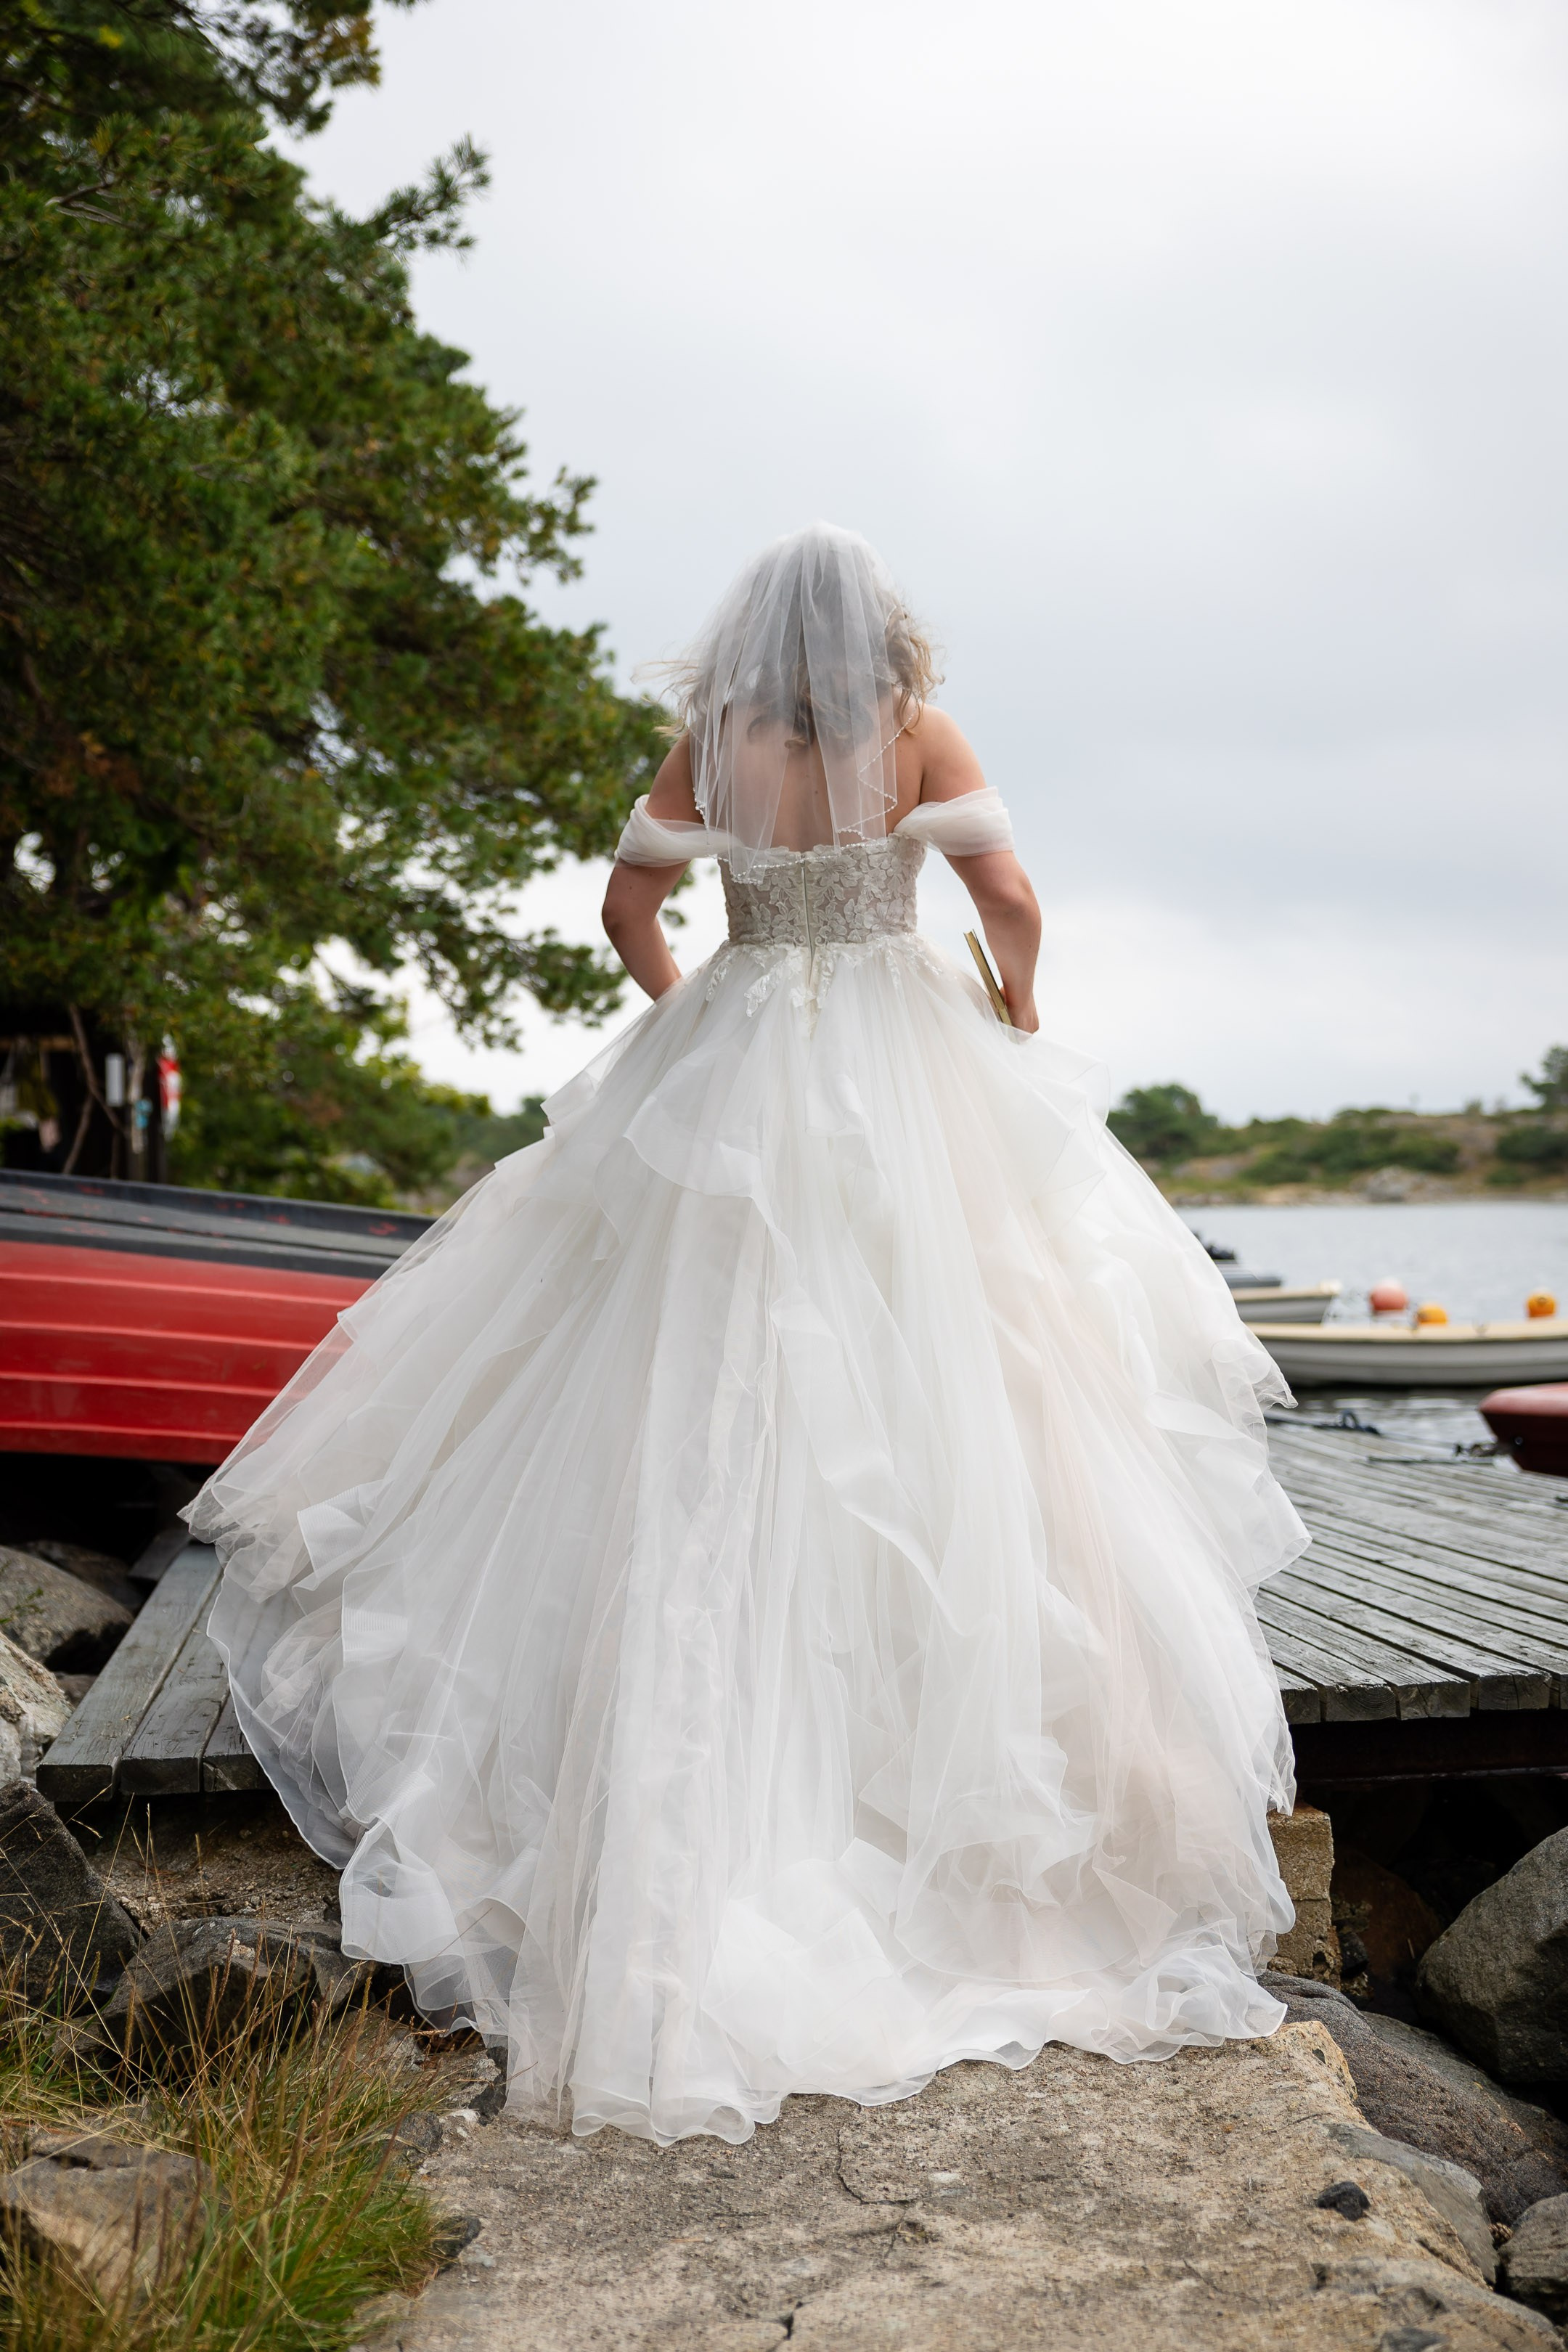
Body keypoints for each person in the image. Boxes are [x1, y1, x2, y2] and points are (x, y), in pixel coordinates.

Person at [189, 523, 1307, 2149]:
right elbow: (1005, 892)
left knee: (698, 1369)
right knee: (959, 1362)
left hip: (742, 1037)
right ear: (879, 633)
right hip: (896, 1053)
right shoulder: (911, 729)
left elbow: (625, 901)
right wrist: (1020, 1003)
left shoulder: (716, 740)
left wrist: (681, 1001)